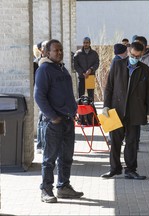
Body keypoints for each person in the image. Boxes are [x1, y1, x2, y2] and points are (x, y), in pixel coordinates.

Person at [34, 39, 84, 203]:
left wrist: (73, 110)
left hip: (68, 120)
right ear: (47, 53)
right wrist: (53, 116)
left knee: (66, 157)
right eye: (56, 51)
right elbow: (39, 96)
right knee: (49, 159)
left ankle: (63, 187)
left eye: (61, 50)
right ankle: (46, 190)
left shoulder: (62, 69)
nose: (59, 53)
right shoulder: (44, 70)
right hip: (53, 123)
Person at [100, 42, 149, 180]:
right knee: (115, 142)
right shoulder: (117, 65)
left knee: (132, 142)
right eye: (132, 54)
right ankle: (114, 169)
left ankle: (130, 170)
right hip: (116, 110)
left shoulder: (145, 70)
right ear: (129, 51)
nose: (134, 57)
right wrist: (106, 105)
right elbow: (109, 87)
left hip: (135, 111)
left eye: (137, 56)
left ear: (142, 54)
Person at [33, 40, 48, 154]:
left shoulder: (55, 63)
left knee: (43, 121)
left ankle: (44, 145)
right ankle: (40, 145)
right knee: (41, 121)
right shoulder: (37, 63)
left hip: (49, 96)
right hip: (42, 96)